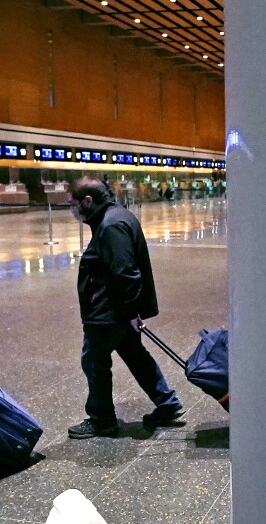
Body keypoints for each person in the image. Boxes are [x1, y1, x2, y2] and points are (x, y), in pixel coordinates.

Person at [67, 176, 184, 439]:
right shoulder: (117, 216)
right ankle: (167, 404)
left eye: (73, 204)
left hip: (110, 313)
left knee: (94, 362)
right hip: (119, 310)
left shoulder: (110, 225)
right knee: (135, 355)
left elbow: (126, 273)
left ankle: (102, 420)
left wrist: (131, 312)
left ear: (88, 200)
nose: (72, 210)